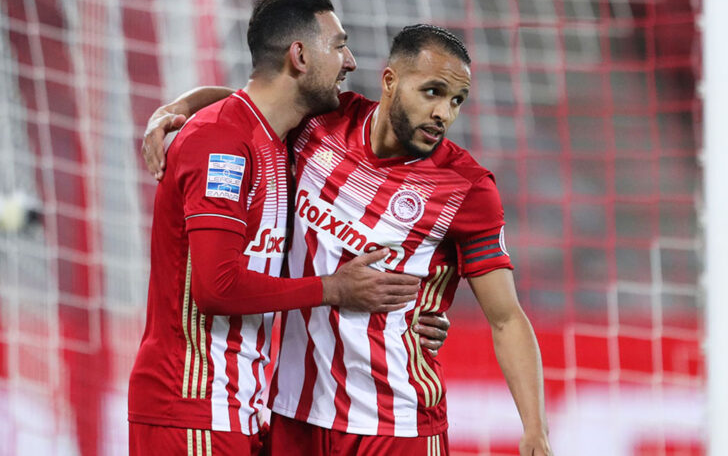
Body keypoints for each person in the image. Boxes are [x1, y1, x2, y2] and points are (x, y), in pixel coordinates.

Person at [144, 23, 553, 455]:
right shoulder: (323, 125)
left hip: (395, 424)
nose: (444, 114)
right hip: (295, 415)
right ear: (390, 81)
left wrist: (535, 431)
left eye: (456, 101)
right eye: (432, 92)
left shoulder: (467, 188)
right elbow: (253, 103)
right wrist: (177, 107)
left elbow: (506, 318)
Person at [128, 0, 450, 455]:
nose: (350, 61)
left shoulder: (277, 138)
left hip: (239, 408)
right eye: (338, 46)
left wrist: (181, 103)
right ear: (299, 56)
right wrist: (334, 289)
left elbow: (242, 102)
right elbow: (216, 289)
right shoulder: (221, 143)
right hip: (193, 407)